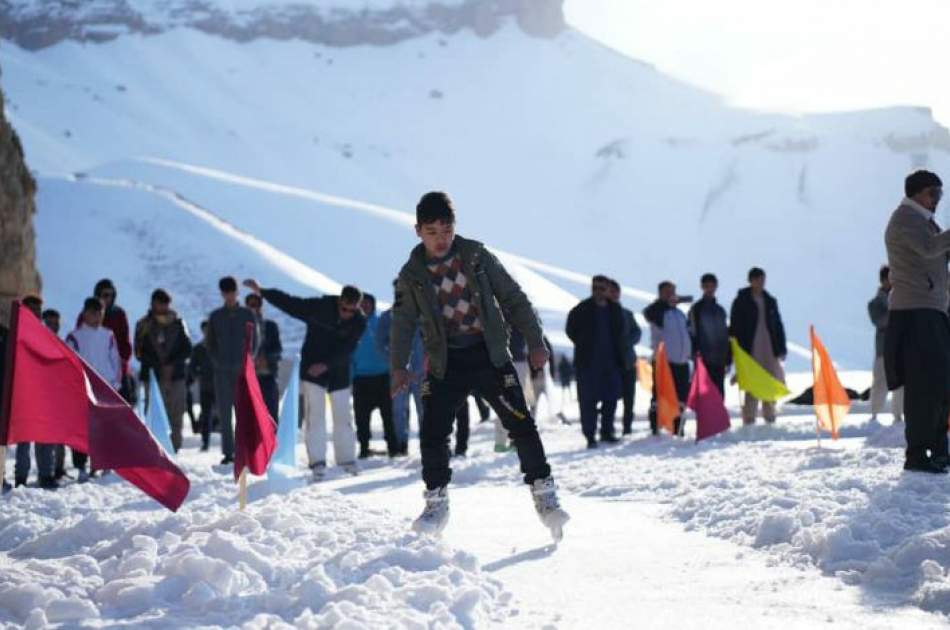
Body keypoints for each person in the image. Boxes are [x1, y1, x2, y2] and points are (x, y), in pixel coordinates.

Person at [390, 191, 568, 539]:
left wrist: (534, 341)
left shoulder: (476, 256)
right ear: (417, 231)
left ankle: (545, 495)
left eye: (446, 230)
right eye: (432, 232)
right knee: (433, 433)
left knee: (521, 425)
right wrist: (398, 366)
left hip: (489, 356)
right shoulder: (411, 275)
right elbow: (402, 322)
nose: (441, 239)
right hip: (445, 363)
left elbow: (514, 298)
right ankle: (435, 503)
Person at [243, 278, 364, 479]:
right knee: (314, 415)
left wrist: (326, 365)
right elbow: (291, 303)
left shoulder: (359, 321)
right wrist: (263, 291)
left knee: (343, 416)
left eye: (352, 311)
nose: (347, 314)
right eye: (344, 308)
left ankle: (347, 459)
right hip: (311, 370)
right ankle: (317, 461)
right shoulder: (320, 307)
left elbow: (348, 349)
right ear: (339, 301)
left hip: (339, 371)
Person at [883, 170, 950, 473]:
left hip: (932, 311)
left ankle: (937, 449)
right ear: (917, 193)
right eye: (933, 193)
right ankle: (917, 453)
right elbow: (929, 248)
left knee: (939, 385)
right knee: (923, 386)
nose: (937, 200)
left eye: (940, 194)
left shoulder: (923, 221)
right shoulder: (905, 219)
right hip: (914, 313)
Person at [566, 275, 625, 448]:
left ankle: (607, 432)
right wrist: (584, 343)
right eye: (595, 287)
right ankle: (590, 436)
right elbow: (571, 330)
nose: (598, 291)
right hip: (588, 363)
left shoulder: (615, 310)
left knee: (611, 399)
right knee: (588, 402)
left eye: (602, 288)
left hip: (611, 362)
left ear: (608, 290)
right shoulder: (581, 309)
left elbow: (621, 333)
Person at [66, 297, 121, 482]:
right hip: (83, 389)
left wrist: (115, 383)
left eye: (100, 313)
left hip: (105, 387)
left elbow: (115, 360)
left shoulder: (108, 335)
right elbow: (70, 363)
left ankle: (104, 462)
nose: (97, 317)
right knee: (83, 429)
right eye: (93, 313)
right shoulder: (75, 336)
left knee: (104, 429)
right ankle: (81, 466)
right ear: (85, 313)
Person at [207, 276, 260, 465]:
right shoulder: (215, 316)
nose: (229, 295)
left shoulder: (247, 315)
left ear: (237, 292)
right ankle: (229, 452)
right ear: (222, 294)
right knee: (224, 412)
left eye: (232, 291)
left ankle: (244, 450)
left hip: (241, 371)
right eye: (225, 292)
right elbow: (210, 343)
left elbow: (254, 341)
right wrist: (217, 362)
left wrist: (247, 362)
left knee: (243, 412)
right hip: (221, 372)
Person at [134, 289, 192, 452]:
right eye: (160, 303)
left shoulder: (178, 323)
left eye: (165, 304)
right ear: (153, 304)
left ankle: (174, 448)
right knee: (154, 415)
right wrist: (159, 365)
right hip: (152, 377)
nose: (163, 307)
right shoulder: (143, 325)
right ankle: (155, 450)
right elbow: (139, 352)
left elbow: (187, 349)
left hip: (176, 376)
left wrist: (171, 364)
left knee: (176, 414)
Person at [729, 268, 787, 425]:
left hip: (769, 346)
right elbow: (735, 326)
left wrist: (781, 348)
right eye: (757, 279)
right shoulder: (741, 301)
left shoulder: (770, 300)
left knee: (769, 381)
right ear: (751, 281)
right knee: (752, 383)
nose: (760, 283)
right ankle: (749, 419)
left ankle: (769, 416)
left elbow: (778, 325)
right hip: (750, 348)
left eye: (762, 279)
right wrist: (735, 349)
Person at [13, 295, 57, 489]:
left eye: (39, 312)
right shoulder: (14, 334)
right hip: (22, 392)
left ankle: (45, 475)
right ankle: (21, 478)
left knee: (45, 435)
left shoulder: (45, 334)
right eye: (33, 311)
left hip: (42, 393)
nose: (36, 315)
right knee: (23, 439)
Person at [377, 279, 423, 456]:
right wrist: (395, 364)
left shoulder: (422, 316)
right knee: (398, 411)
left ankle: (427, 444)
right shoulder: (387, 317)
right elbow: (379, 345)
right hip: (398, 375)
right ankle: (400, 446)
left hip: (419, 374)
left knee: (424, 410)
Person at [352, 293, 398, 458]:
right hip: (361, 379)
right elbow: (348, 352)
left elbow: (394, 344)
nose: (364, 306)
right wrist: (351, 376)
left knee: (388, 415)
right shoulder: (352, 325)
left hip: (383, 376)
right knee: (361, 418)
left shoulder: (381, 322)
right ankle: (364, 448)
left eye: (367, 303)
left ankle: (393, 447)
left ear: (373, 305)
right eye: (361, 304)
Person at [644, 282, 692, 436]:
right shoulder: (657, 311)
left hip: (682, 361)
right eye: (667, 292)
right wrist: (665, 303)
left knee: (681, 396)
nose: (670, 294)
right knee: (660, 395)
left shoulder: (679, 314)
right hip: (664, 362)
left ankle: (678, 427)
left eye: (672, 291)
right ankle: (656, 426)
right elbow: (649, 313)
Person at [76, 279, 134, 403]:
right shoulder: (85, 316)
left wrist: (117, 369)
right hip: (91, 375)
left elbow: (126, 346)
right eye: (104, 295)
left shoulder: (119, 314)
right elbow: (80, 345)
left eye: (110, 295)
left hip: (117, 375)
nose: (107, 298)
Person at [868, 265, 903, 424]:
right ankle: (875, 413)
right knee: (880, 382)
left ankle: (898, 414)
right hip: (883, 349)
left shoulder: (900, 300)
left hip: (900, 349)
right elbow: (880, 321)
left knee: (901, 383)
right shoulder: (875, 303)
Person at [608, 279, 642, 434]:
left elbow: (637, 332)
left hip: (628, 361)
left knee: (629, 398)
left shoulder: (627, 313)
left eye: (616, 291)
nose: (613, 294)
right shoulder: (603, 314)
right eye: (610, 291)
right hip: (611, 363)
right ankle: (608, 427)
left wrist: (626, 342)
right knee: (611, 397)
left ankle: (627, 426)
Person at [688, 273, 731, 396]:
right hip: (704, 359)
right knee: (705, 396)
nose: (709, 288)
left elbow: (725, 334)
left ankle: (717, 416)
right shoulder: (697, 309)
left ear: (716, 286)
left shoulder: (720, 310)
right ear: (702, 287)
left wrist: (728, 356)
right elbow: (692, 332)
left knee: (719, 395)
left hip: (720, 359)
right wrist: (695, 353)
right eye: (707, 286)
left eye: (712, 285)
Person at [41, 308, 69, 480]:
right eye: (50, 322)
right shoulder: (38, 342)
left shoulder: (63, 343)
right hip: (43, 395)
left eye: (56, 323)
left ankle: (58, 469)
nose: (54, 326)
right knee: (44, 438)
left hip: (60, 395)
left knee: (60, 436)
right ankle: (45, 473)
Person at [245, 292, 282, 421]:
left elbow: (277, 349)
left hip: (267, 376)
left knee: (270, 416)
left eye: (257, 304)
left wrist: (266, 359)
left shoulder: (271, 326)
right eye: (251, 305)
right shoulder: (242, 328)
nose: (254, 308)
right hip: (249, 378)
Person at [189, 321, 217, 451]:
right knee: (206, 415)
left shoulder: (221, 347)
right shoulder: (198, 349)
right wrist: (199, 373)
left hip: (221, 386)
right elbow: (192, 368)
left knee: (225, 414)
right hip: (205, 386)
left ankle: (230, 444)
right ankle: (205, 442)